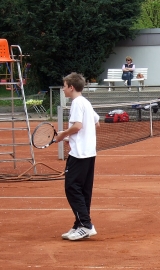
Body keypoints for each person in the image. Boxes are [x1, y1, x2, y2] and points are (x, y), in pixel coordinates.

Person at [54, 72, 100, 241]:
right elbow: (96, 121)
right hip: (89, 153)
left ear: (71, 87)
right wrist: (71, 137)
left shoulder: (76, 103)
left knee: (72, 188)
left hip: (79, 155)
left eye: (64, 86)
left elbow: (78, 125)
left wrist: (63, 135)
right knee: (83, 190)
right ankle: (80, 225)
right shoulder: (86, 102)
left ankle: (86, 225)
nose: (63, 89)